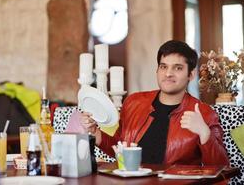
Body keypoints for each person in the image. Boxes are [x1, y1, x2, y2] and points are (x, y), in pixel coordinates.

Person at [81, 40, 229, 165]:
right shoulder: (134, 102)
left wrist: (205, 133)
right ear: (157, 70)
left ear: (191, 75)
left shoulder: (204, 113)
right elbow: (121, 149)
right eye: (163, 66)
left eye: (177, 68)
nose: (168, 73)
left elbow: (221, 170)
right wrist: (96, 133)